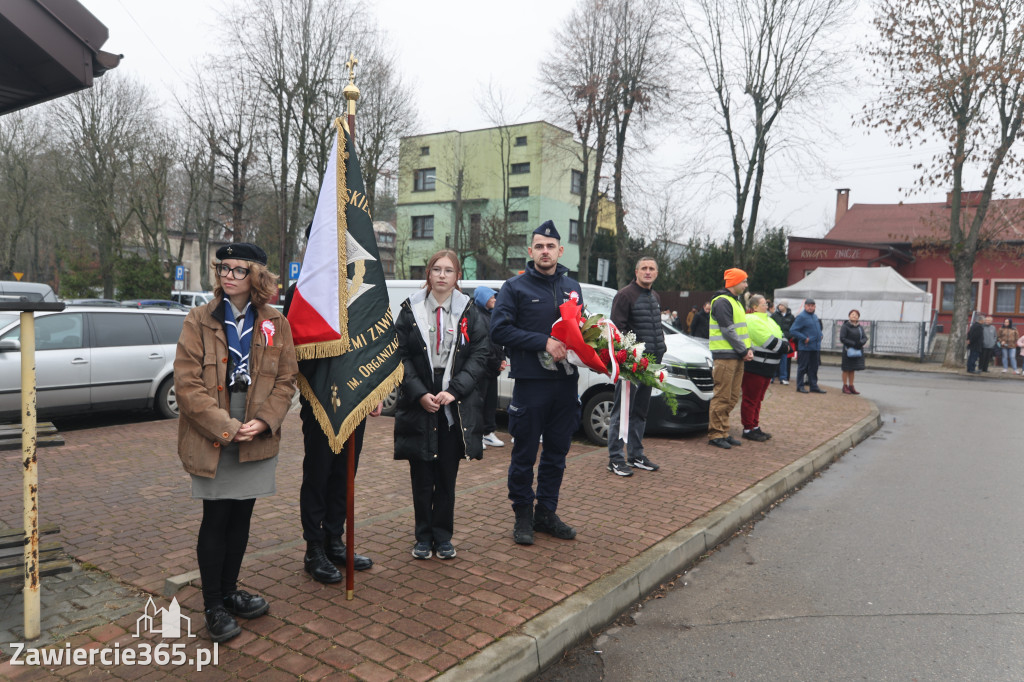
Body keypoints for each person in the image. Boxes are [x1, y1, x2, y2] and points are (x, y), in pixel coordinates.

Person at [174, 243, 297, 643]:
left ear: (256, 277)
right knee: (217, 517)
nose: (227, 275)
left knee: (242, 516)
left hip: (257, 428)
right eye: (223, 268)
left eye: (238, 270)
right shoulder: (199, 318)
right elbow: (187, 385)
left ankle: (230, 591)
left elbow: (286, 380)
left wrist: (264, 421)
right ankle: (213, 604)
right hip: (215, 427)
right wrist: (227, 427)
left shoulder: (275, 321)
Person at [285, 225, 380, 585]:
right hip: (320, 398)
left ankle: (335, 540)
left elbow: (374, 342)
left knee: (345, 474)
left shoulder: (362, 288)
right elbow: (292, 348)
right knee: (319, 473)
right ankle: (314, 548)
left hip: (356, 396)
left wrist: (373, 389)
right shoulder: (302, 291)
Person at [491, 220, 583, 545]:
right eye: (539, 247)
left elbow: (579, 330)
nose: (545, 252)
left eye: (551, 246)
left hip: (565, 384)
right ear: (530, 252)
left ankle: (546, 512)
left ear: (560, 250)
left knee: (557, 452)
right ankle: (522, 515)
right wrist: (542, 342)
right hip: (531, 383)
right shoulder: (514, 288)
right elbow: (498, 330)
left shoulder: (574, 287)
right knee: (525, 453)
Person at [394, 250, 489, 560]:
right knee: (422, 475)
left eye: (449, 270)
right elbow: (400, 355)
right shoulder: (410, 309)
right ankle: (423, 537)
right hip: (420, 394)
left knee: (447, 475)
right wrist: (419, 392)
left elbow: (479, 356)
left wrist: (456, 390)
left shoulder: (470, 311)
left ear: (457, 276)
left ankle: (443, 536)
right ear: (429, 273)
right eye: (437, 269)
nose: (442, 275)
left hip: (454, 399)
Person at [606, 256, 667, 476]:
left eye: (652, 269)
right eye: (644, 268)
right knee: (621, 413)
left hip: (650, 365)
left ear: (656, 273)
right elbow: (617, 331)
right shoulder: (624, 295)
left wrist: (662, 348)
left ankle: (635, 455)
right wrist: (627, 362)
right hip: (632, 367)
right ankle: (615, 458)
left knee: (640, 412)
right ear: (636, 271)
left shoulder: (655, 296)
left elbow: (655, 326)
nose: (648, 272)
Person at [707, 268, 752, 449]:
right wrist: (744, 350)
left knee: (732, 397)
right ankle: (716, 434)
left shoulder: (734, 302)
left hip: (735, 354)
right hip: (726, 355)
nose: (746, 285)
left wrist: (746, 350)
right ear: (734, 282)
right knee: (722, 396)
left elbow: (739, 330)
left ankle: (723, 431)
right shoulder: (723, 302)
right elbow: (728, 331)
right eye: (744, 281)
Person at [740, 294, 789, 441]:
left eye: (766, 304)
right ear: (754, 307)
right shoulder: (751, 319)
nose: (767, 306)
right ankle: (748, 428)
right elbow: (768, 342)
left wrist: (784, 345)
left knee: (758, 399)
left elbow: (782, 335)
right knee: (751, 399)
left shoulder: (769, 319)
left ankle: (755, 426)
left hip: (768, 368)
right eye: (763, 304)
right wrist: (785, 347)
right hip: (756, 367)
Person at [472, 285, 507, 448]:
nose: (494, 299)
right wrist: (496, 362)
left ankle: (488, 432)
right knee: (479, 402)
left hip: (492, 369)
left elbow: (499, 341)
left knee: (490, 402)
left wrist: (503, 358)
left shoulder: (493, 315)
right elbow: (484, 345)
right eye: (491, 296)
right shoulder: (477, 316)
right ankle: (477, 434)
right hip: (482, 369)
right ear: (482, 299)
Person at [789, 298, 825, 394]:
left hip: (815, 347)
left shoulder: (815, 316)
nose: (810, 307)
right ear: (805, 306)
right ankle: (800, 386)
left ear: (815, 307)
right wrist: (804, 338)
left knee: (814, 367)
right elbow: (793, 330)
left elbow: (817, 329)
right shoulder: (801, 317)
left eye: (812, 306)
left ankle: (813, 386)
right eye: (808, 305)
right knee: (803, 367)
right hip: (805, 347)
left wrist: (820, 334)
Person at [840, 309, 868, 394]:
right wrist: (853, 343)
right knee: (846, 369)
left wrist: (860, 343)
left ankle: (851, 386)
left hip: (857, 349)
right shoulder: (845, 326)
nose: (854, 316)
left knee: (852, 369)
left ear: (858, 317)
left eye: (856, 315)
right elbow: (842, 338)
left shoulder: (860, 327)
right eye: (852, 314)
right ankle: (845, 386)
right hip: (848, 350)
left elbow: (865, 337)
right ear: (849, 316)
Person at [771, 302, 795, 385]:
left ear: (785, 306)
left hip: (785, 340)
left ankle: (783, 378)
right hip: (776, 339)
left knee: (784, 359)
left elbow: (793, 327)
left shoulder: (791, 317)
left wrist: (789, 336)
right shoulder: (774, 315)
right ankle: (772, 377)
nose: (780, 306)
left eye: (781, 305)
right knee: (774, 358)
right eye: (779, 305)